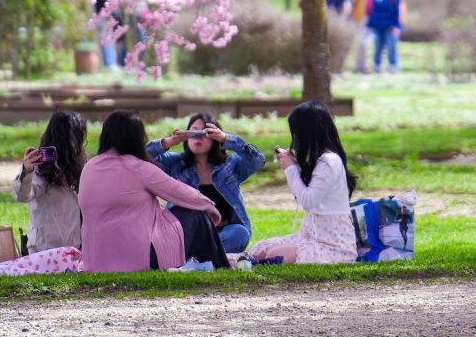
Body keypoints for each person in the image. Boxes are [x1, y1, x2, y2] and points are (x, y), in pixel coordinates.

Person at [78, 110, 225, 272]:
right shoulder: (139, 168)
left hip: (95, 261)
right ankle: (220, 265)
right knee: (197, 215)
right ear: (137, 137)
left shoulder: (89, 167)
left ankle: (213, 265)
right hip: (136, 259)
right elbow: (181, 192)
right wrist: (209, 206)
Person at [247, 101, 358, 264]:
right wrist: (296, 167)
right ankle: (238, 262)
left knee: (274, 255)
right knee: (259, 249)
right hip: (310, 237)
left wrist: (290, 169)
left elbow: (307, 201)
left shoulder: (329, 161)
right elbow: (305, 196)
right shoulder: (320, 161)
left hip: (334, 246)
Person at [146, 112, 265, 254]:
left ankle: (193, 257)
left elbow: (258, 160)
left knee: (240, 233)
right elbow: (140, 156)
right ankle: (210, 256)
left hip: (223, 233)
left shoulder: (231, 165)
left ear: (215, 138)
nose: (197, 137)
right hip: (186, 233)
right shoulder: (175, 163)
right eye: (193, 131)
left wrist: (227, 139)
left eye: (204, 132)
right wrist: (168, 142)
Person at [13, 110, 86, 253]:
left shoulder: (79, 166)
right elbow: (22, 195)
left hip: (74, 250)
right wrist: (26, 171)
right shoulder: (41, 168)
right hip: (44, 250)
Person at [366, 0, 404, 74]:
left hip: (390, 25)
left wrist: (396, 25)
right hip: (378, 25)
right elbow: (371, 10)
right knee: (378, 47)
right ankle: (377, 66)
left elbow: (397, 10)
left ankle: (393, 67)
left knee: (391, 47)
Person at [352, 0, 378, 73]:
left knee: (369, 43)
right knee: (361, 43)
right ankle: (360, 66)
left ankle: (370, 65)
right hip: (360, 17)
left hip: (374, 17)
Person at [93, 0, 127, 72]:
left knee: (109, 41)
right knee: (107, 41)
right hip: (103, 17)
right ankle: (110, 64)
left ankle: (111, 63)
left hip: (106, 17)